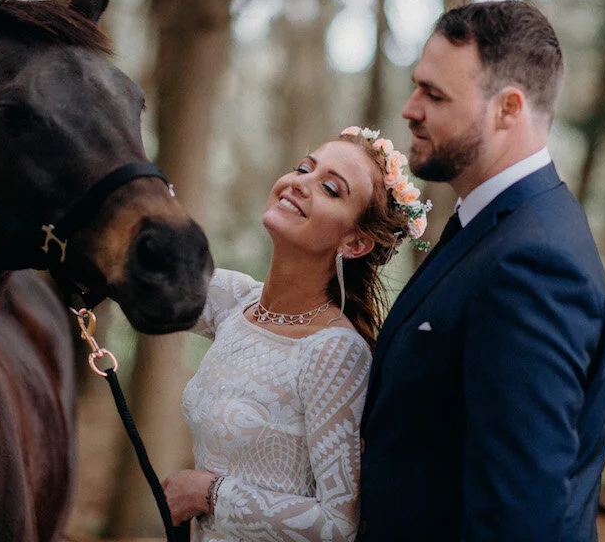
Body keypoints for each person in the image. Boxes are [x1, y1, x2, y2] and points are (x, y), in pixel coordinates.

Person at [359, 0, 605, 541]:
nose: (409, 109)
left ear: (508, 109)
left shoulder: (534, 265)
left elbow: (519, 515)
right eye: (416, 87)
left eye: (435, 95)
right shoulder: (492, 227)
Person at [163, 128, 432, 541]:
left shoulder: (335, 353)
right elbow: (146, 275)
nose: (301, 183)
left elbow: (338, 525)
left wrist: (210, 494)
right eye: (304, 168)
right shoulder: (237, 302)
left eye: (329, 188)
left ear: (355, 242)